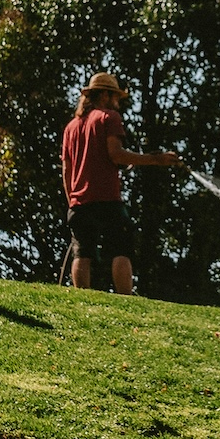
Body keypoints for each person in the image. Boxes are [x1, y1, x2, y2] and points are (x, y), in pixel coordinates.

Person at [61, 72, 181, 294]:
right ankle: (125, 298)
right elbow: (116, 154)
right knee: (121, 247)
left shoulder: (71, 128)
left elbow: (67, 169)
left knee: (82, 252)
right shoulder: (109, 117)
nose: (118, 102)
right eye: (115, 96)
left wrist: (73, 202)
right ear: (106, 95)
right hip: (106, 198)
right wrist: (155, 159)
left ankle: (79, 298)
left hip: (79, 201)